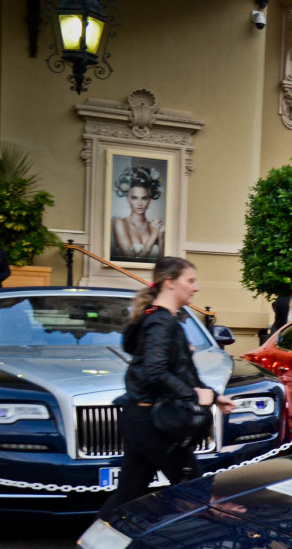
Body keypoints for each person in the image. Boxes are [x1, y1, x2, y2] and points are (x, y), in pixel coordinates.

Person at [102, 257, 234, 517]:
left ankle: (92, 547)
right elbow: (156, 372)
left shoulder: (158, 319)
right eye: (191, 281)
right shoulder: (161, 322)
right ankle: (213, 548)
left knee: (129, 493)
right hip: (155, 422)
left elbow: (181, 371)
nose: (195, 288)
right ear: (170, 283)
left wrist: (215, 397)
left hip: (143, 418)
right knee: (194, 491)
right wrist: (195, 394)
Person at [112, 166, 165, 262]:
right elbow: (132, 260)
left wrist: (160, 239)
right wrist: (153, 236)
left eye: (144, 198)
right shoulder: (120, 223)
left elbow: (162, 264)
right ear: (127, 200)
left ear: (149, 200)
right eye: (134, 198)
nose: (139, 203)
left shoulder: (154, 226)